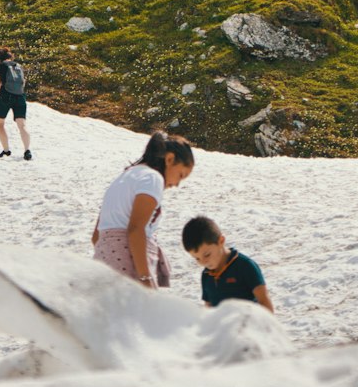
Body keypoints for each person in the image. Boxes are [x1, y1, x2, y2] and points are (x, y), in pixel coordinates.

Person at [92, 132, 194, 288]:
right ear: (170, 159)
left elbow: (96, 235)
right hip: (127, 261)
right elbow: (135, 229)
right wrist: (145, 277)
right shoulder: (152, 179)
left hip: (104, 258)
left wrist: (110, 256)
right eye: (181, 175)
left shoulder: (125, 176)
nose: (177, 184)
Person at [182, 215, 273, 312]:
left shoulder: (245, 266)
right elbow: (208, 310)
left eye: (207, 255)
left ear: (221, 241)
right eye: (197, 258)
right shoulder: (206, 275)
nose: (203, 262)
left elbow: (265, 302)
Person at [0, 46, 32, 160]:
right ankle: (27, 150)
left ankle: (6, 150)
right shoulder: (18, 66)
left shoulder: (0, 66)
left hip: (6, 96)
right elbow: (22, 83)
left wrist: (1, 89)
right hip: (20, 97)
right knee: (22, 125)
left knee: (0, 124)